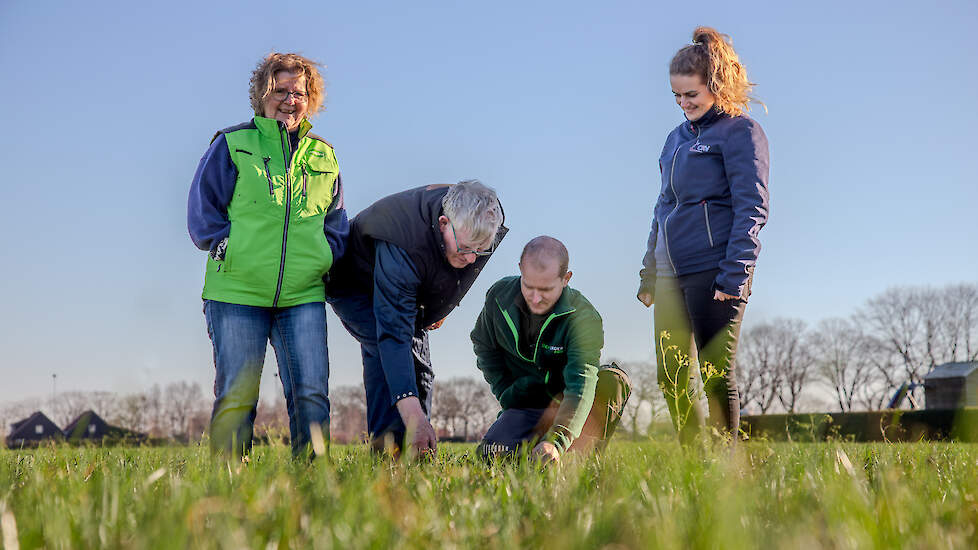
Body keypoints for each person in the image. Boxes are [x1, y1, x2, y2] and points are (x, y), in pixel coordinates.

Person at [187, 53, 348, 459]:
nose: (290, 100)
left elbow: (336, 222)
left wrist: (327, 257)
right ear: (262, 95)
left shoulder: (324, 155)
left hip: (303, 296)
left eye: (299, 92)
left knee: (312, 395)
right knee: (237, 397)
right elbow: (203, 214)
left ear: (311, 99)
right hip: (237, 293)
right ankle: (227, 490)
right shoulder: (232, 144)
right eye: (280, 91)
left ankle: (312, 489)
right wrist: (228, 248)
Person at [637, 27, 769, 444]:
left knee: (715, 376)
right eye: (676, 96)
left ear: (715, 84)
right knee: (671, 378)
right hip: (670, 275)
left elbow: (752, 208)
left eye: (691, 94)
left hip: (716, 273)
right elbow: (663, 206)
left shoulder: (740, 133)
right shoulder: (674, 140)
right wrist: (649, 272)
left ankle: (725, 471)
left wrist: (735, 275)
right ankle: (696, 466)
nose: (684, 104)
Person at [327, 181, 506, 455]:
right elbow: (393, 335)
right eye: (465, 248)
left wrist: (438, 307)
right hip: (354, 282)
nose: (471, 259)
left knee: (420, 366)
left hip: (411, 284)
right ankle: (388, 452)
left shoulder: (482, 222)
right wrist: (413, 418)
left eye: (480, 250)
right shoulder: (404, 243)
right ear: (444, 223)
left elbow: (461, 266)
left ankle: (419, 449)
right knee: (386, 350)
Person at [473, 236, 631, 463]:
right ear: (520, 270)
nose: (535, 299)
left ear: (566, 279)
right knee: (489, 455)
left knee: (611, 381)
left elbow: (580, 384)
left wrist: (555, 441)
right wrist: (507, 393)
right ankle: (535, 444)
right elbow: (484, 345)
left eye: (546, 289)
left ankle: (581, 454)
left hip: (570, 403)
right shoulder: (498, 297)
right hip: (527, 405)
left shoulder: (584, 317)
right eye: (528, 286)